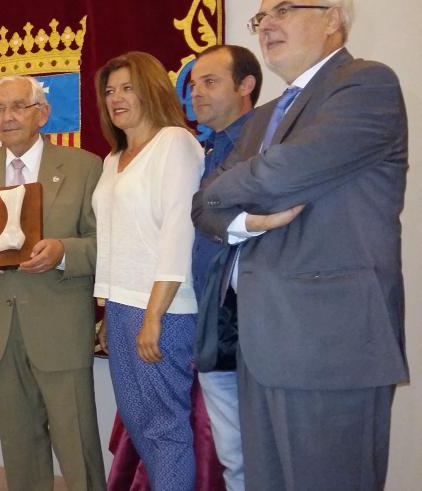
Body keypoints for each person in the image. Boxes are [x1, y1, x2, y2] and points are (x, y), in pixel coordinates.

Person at [193, 1, 409, 489]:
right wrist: (243, 219)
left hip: (330, 341)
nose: (266, 23)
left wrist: (222, 190)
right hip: (258, 339)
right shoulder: (264, 116)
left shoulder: (366, 84)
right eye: (261, 17)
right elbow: (203, 211)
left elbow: (284, 172)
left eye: (284, 9)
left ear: (333, 17)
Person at [0, 75, 106, 491]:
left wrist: (63, 251)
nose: (7, 116)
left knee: (77, 446)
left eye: (18, 106)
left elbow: (105, 244)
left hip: (60, 326)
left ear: (43, 114)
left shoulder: (84, 166)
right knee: (20, 448)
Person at [91, 51, 203, 490]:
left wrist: (153, 315)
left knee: (165, 430)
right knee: (141, 427)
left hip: (164, 309)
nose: (116, 98)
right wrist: (107, 310)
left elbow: (180, 232)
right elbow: (117, 238)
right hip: (121, 307)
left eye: (127, 88)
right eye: (109, 91)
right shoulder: (112, 159)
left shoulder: (175, 143)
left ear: (151, 90)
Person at [188, 44, 262, 491]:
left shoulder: (267, 145)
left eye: (210, 82)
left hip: (256, 322)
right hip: (212, 322)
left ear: (246, 85)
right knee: (234, 456)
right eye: (194, 84)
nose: (196, 94)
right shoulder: (204, 150)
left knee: (265, 452)